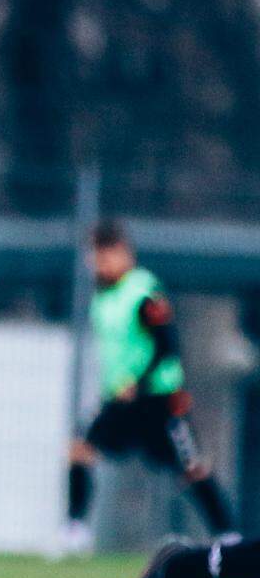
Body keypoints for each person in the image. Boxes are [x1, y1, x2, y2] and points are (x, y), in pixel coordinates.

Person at [63, 220, 235, 559]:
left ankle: (227, 534)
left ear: (122, 252)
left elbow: (166, 344)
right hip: (120, 401)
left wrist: (139, 383)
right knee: (81, 449)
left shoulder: (143, 292)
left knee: (192, 467)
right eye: (94, 257)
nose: (98, 264)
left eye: (104, 256)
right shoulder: (103, 295)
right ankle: (74, 530)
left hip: (158, 400)